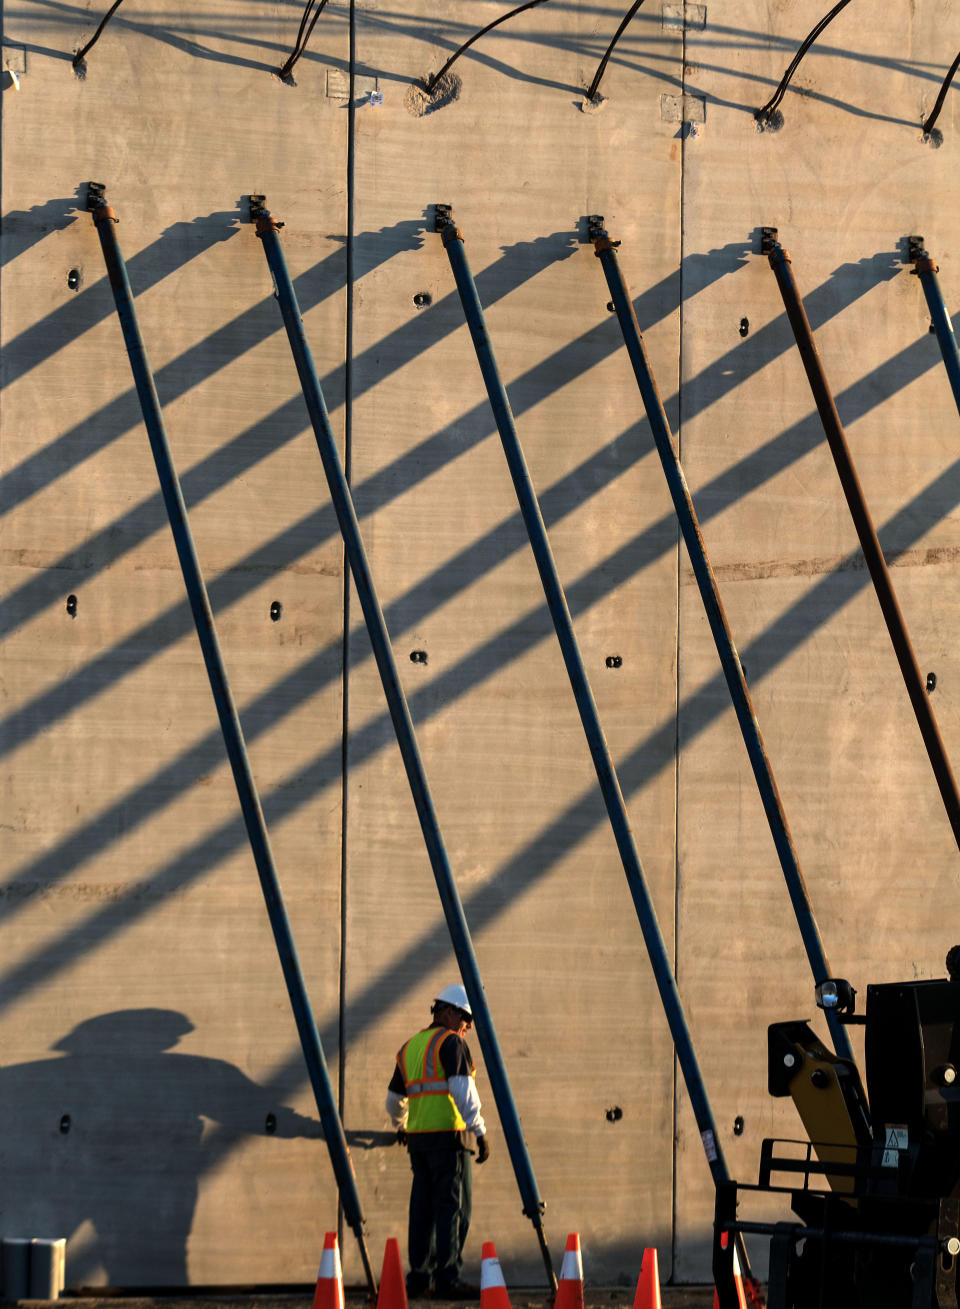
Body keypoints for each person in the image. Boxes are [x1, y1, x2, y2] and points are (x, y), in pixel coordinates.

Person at [387, 984, 490, 1300]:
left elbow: (394, 1100)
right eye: (466, 1017)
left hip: (418, 1143)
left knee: (422, 1211)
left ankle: (419, 1279)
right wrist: (480, 1130)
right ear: (448, 1012)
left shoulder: (410, 1047)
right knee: (452, 1210)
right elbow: (462, 1091)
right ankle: (448, 1279)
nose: (469, 1026)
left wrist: (401, 1126)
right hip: (449, 1140)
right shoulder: (451, 1043)